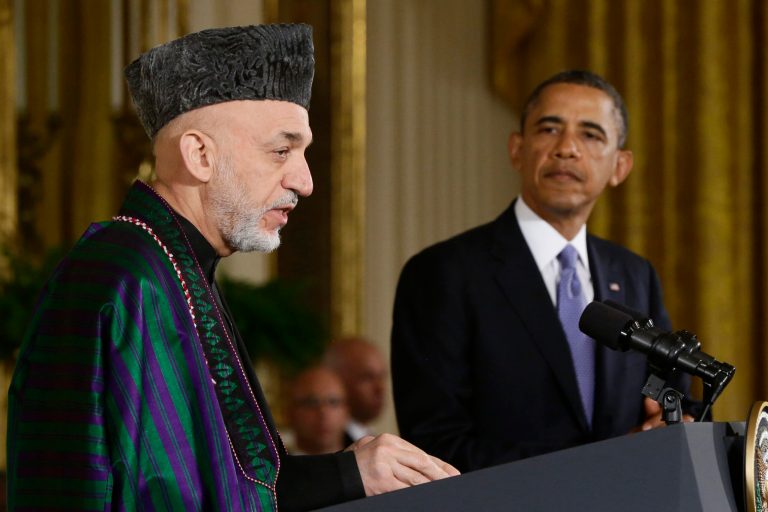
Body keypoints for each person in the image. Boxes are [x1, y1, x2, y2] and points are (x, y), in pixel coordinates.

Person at [7, 24, 458, 511]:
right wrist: (346, 474)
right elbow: (170, 500)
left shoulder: (170, 263)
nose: (304, 182)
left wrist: (351, 469)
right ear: (199, 154)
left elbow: (224, 479)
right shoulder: (133, 277)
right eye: (282, 151)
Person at [391, 69, 695, 473]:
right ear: (517, 149)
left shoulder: (635, 274)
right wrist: (598, 467)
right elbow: (434, 444)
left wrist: (671, 428)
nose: (567, 148)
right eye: (549, 129)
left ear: (620, 166)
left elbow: (674, 401)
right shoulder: (442, 274)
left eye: (590, 135)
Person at [325, 336, 388, 443]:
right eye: (367, 377)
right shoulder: (327, 444)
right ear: (337, 380)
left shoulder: (373, 438)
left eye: (382, 377)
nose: (380, 388)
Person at [287, 365, 349, 455]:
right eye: (312, 402)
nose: (323, 412)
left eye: (333, 402)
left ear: (346, 412)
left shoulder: (365, 467)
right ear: (291, 412)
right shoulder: (273, 468)